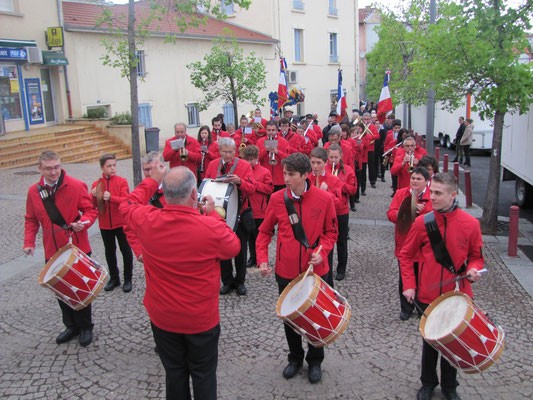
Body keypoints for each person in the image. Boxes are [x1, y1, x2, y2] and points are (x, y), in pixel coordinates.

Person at [120, 164, 240, 400]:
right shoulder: (210, 227)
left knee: (174, 373)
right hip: (200, 320)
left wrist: (152, 181)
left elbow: (126, 205)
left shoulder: (147, 220)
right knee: (203, 375)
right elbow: (233, 247)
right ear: (194, 194)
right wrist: (211, 212)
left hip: (163, 318)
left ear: (164, 193)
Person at [399, 173, 484, 400]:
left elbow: (477, 257)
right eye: (432, 191)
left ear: (453, 195)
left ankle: (449, 386)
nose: (432, 197)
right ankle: (427, 383)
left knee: (453, 343)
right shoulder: (422, 222)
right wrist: (409, 285)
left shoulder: (471, 224)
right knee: (430, 344)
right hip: (428, 294)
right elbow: (405, 256)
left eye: (438, 193)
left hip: (458, 294)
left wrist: (474, 269)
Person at [256, 153, 338, 384]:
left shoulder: (325, 199)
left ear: (305, 175)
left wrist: (321, 253)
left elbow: (331, 233)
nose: (286, 178)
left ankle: (315, 360)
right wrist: (263, 259)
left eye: (291, 175)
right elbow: (264, 232)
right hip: (286, 271)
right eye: (285, 173)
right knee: (290, 319)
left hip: (316, 272)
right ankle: (294, 358)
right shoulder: (276, 199)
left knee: (316, 318)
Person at [24, 150, 97, 346]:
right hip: (52, 250)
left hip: (76, 246)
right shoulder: (33, 192)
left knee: (80, 289)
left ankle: (85, 326)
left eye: (57, 167)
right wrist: (29, 243)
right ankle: (70, 325)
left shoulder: (75, 185)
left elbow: (90, 210)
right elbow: (31, 219)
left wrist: (84, 222)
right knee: (61, 291)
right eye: (49, 168)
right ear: (40, 168)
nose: (54, 172)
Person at [205, 137, 255, 295]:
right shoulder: (213, 165)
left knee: (240, 249)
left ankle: (240, 281)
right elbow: (206, 184)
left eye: (231, 151)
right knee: (222, 250)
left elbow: (252, 189)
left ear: (236, 151)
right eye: (225, 152)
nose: (228, 155)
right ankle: (227, 281)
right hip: (219, 215)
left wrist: (240, 182)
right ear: (219, 151)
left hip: (239, 212)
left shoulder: (245, 165)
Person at [387, 167, 432, 320]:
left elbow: (434, 219)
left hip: (423, 245)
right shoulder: (401, 193)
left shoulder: (432, 197)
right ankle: (406, 308)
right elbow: (391, 214)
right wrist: (406, 210)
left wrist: (422, 212)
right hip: (404, 242)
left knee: (422, 277)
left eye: (418, 179)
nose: (414, 181)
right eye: (413, 178)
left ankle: (421, 307)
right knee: (404, 276)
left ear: (426, 181)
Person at [91, 153, 134, 292]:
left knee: (126, 251)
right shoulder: (97, 184)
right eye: (109, 166)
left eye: (114, 165)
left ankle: (128, 279)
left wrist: (111, 198)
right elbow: (93, 206)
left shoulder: (122, 181)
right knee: (110, 252)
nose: (113, 168)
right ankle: (114, 278)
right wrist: (93, 196)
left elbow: (126, 200)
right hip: (105, 224)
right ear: (102, 168)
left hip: (121, 223)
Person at [125, 151, 167, 263]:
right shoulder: (140, 192)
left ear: (162, 167)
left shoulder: (175, 187)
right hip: (150, 249)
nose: (149, 173)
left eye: (152, 169)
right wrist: (138, 250)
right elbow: (128, 223)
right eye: (146, 169)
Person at [326, 144, 356, 280]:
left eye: (336, 157)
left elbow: (353, 189)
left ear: (341, 156)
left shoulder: (348, 170)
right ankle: (327, 268)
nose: (333, 160)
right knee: (327, 241)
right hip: (326, 210)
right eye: (331, 157)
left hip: (341, 210)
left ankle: (341, 269)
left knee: (342, 241)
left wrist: (339, 184)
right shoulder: (324, 169)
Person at [240, 145, 273, 268]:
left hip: (260, 210)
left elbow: (269, 189)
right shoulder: (243, 170)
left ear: (257, 158)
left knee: (260, 237)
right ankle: (253, 258)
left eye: (251, 159)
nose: (249, 162)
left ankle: (261, 259)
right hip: (247, 210)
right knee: (250, 237)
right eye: (247, 160)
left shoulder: (265, 171)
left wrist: (254, 184)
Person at [256, 120, 290, 192]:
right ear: (265, 130)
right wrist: (266, 151)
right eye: (269, 130)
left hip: (280, 179)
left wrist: (277, 152)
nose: (271, 132)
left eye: (273, 130)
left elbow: (288, 158)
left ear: (277, 130)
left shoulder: (283, 142)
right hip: (265, 178)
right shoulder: (260, 142)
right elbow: (257, 158)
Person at [362, 112, 381, 188]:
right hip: (363, 149)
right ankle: (362, 182)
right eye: (365, 119)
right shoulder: (361, 126)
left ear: (370, 119)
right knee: (363, 166)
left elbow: (377, 136)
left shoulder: (373, 127)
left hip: (371, 148)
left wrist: (369, 136)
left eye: (367, 119)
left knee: (371, 165)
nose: (366, 121)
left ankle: (372, 181)